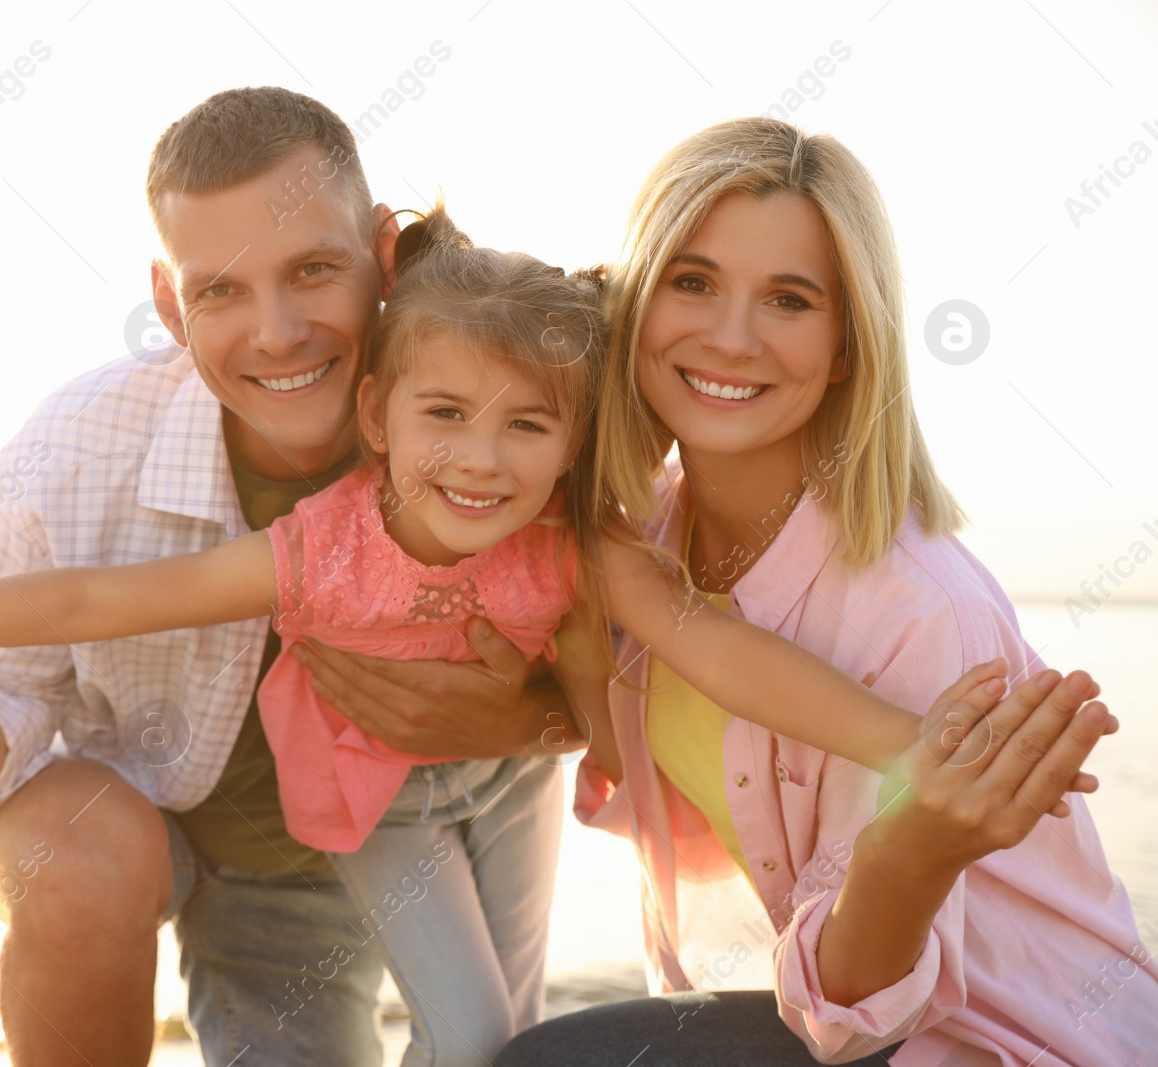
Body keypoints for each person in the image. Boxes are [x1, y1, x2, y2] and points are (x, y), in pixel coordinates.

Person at [0, 87, 597, 1067]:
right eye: (221, 290)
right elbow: (5, 737)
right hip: (232, 859)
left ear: (385, 251)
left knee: (506, 1045)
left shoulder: (490, 405)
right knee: (82, 863)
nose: (277, 333)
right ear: (168, 304)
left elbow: (653, 636)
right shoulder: (73, 455)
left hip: (462, 809)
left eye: (313, 270)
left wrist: (531, 719)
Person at [495, 118, 1157, 1066]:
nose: (731, 337)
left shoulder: (924, 614)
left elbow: (862, 1017)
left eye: (789, 300)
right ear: (635, 300)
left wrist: (904, 853)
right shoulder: (646, 548)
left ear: (847, 346)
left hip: (998, 1040)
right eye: (693, 282)